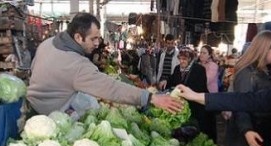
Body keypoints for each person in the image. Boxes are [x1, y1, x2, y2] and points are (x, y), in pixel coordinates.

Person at [27, 13, 182, 117]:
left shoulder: (48, 43)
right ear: (78, 37)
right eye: (93, 39)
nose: (97, 43)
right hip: (52, 115)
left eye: (98, 38)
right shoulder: (76, 65)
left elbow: (33, 70)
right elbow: (111, 88)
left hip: (32, 107)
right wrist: (150, 98)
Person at [224, 30, 271, 146]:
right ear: (264, 48)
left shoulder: (267, 72)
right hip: (246, 141)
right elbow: (241, 105)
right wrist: (247, 130)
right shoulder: (248, 74)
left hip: (258, 135)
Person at [166, 47, 216, 142]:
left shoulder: (199, 69)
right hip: (182, 106)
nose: (181, 61)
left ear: (190, 59)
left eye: (184, 59)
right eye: (180, 58)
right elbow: (172, 82)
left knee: (197, 131)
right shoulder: (177, 69)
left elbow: (200, 88)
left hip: (196, 106)